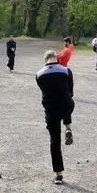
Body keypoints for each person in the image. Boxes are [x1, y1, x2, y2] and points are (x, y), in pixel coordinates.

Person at [35, 50, 75, 185]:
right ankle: (68, 126)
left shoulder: (39, 74)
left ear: (45, 60)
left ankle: (58, 175)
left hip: (51, 111)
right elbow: (71, 91)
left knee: (55, 141)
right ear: (56, 58)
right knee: (66, 98)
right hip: (67, 107)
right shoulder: (66, 70)